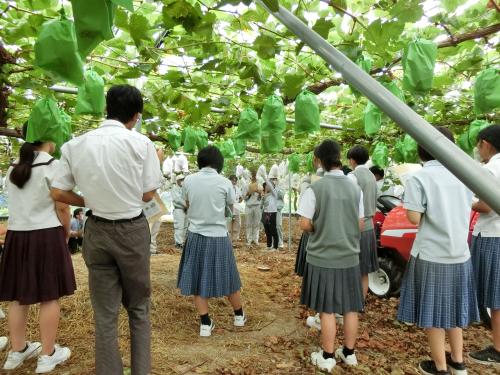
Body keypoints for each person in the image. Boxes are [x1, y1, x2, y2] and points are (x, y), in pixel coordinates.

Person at [51, 85, 163, 375]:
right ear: (136, 116)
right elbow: (148, 195)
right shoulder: (141, 144)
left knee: (105, 315)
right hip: (131, 230)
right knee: (138, 308)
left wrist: (87, 200)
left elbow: (59, 192)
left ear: (106, 109)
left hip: (96, 230)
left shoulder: (76, 144)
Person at [397, 127, 478, 375]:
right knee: (453, 312)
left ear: (422, 149)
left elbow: (413, 217)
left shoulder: (420, 178)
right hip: (460, 254)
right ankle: (458, 362)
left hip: (432, 254)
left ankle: (441, 368)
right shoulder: (463, 174)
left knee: (432, 315)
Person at [0, 122, 76, 373]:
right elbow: (63, 206)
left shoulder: (14, 167)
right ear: (50, 136)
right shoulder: (52, 166)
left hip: (17, 236)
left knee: (18, 296)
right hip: (45, 235)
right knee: (49, 295)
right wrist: (66, 231)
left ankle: (17, 351)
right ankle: (47, 354)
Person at [298, 139, 364, 372]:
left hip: (323, 257)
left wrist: (320, 227)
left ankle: (327, 356)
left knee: (327, 308)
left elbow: (304, 223)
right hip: (349, 256)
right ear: (339, 158)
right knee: (350, 307)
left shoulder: (315, 188)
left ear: (320, 160)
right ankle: (349, 353)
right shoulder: (355, 188)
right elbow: (360, 223)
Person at [177, 146, 245, 337]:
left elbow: (186, 203)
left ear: (200, 162)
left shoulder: (189, 180)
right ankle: (239, 316)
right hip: (218, 236)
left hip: (196, 235)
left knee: (199, 280)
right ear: (219, 164)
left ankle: (205, 324)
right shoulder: (224, 182)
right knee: (229, 277)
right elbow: (230, 206)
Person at [470, 124, 500, 366]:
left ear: (486, 143)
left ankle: (498, 348)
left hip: (492, 236)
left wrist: (467, 200)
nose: (477, 149)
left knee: (495, 297)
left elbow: (486, 205)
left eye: (478, 144)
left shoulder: (491, 169)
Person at [347, 145, 379, 299]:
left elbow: (347, 202)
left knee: (351, 267)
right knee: (364, 269)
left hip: (355, 227)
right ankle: (360, 303)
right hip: (369, 227)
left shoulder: (353, 176)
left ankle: (350, 302)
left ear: (352, 160)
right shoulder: (373, 176)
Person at [259, 171, 279, 251]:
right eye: (266, 185)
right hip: (266, 213)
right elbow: (261, 206)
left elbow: (270, 185)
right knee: (267, 229)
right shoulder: (265, 195)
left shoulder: (274, 194)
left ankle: (275, 246)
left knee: (273, 229)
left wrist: (264, 177)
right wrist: (263, 197)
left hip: (272, 212)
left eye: (268, 185)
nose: (267, 186)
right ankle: (269, 245)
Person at [243, 172, 262, 246]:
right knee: (248, 223)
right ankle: (249, 239)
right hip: (249, 206)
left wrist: (259, 192)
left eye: (255, 177)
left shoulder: (259, 185)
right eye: (252, 176)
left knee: (256, 223)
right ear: (250, 177)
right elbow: (244, 197)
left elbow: (261, 197)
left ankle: (255, 239)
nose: (254, 178)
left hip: (257, 205)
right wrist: (249, 193)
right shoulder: (246, 185)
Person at [172, 174, 188, 249]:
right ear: (177, 181)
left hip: (187, 210)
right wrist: (186, 205)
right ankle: (178, 243)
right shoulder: (174, 188)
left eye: (183, 179)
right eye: (181, 180)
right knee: (179, 226)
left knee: (185, 226)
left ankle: (183, 242)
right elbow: (177, 199)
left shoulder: (185, 189)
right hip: (179, 209)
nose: (182, 181)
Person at [228, 175, 243, 243]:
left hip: (236, 207)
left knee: (237, 223)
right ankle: (229, 240)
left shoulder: (237, 188)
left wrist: (240, 200)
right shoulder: (227, 188)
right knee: (229, 224)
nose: (234, 182)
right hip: (229, 208)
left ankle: (235, 239)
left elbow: (240, 198)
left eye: (235, 181)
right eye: (232, 180)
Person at [273, 178, 285, 248]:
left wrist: (276, 186)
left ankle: (280, 242)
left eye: (276, 179)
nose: (274, 181)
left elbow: (281, 195)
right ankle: (273, 242)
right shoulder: (269, 186)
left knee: (278, 226)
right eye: (273, 179)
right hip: (270, 209)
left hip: (277, 209)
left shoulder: (281, 187)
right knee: (271, 227)